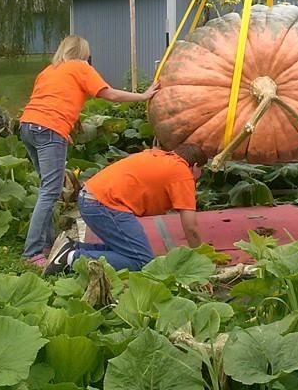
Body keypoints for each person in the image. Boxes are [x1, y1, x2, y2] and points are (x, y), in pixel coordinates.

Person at [18, 35, 159, 267]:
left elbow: (51, 99)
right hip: (49, 130)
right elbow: (109, 94)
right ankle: (32, 253)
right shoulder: (81, 67)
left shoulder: (50, 70)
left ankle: (46, 245)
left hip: (28, 127)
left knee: (47, 189)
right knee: (50, 192)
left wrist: (66, 129)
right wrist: (143, 96)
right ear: (84, 53)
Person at [44, 144, 206, 274]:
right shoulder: (182, 172)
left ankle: (74, 248)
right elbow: (191, 227)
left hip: (92, 198)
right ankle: (72, 258)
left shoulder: (158, 156)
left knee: (126, 249)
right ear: (195, 166)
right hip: (104, 205)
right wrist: (200, 260)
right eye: (202, 170)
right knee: (141, 261)